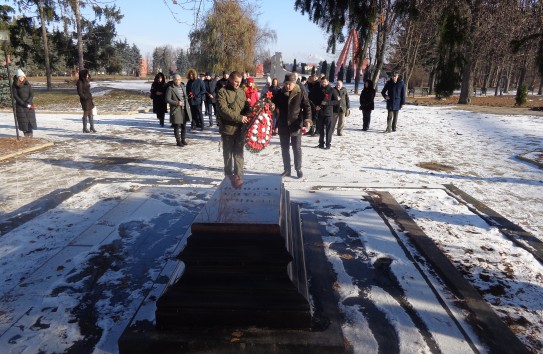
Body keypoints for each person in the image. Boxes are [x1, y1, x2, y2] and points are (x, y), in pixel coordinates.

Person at [272, 73, 312, 179]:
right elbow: (274, 103)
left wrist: (307, 120)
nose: (287, 86)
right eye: (286, 84)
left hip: (295, 124)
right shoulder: (280, 93)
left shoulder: (300, 92)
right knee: (284, 148)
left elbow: (307, 106)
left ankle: (298, 168)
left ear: (294, 83)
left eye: (290, 84)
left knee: (296, 148)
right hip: (283, 124)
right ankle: (287, 169)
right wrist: (272, 105)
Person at [216, 71, 251, 188]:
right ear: (230, 79)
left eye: (239, 82)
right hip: (228, 129)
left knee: (239, 154)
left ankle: (239, 177)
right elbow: (223, 110)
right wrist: (239, 118)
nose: (237, 84)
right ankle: (228, 177)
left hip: (240, 129)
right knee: (228, 155)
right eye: (235, 81)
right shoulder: (222, 92)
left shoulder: (241, 92)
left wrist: (249, 109)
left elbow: (245, 107)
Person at [165, 74, 192, 147]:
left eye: (179, 79)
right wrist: (177, 103)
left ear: (181, 80)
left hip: (184, 108)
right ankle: (178, 141)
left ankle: (183, 139)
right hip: (176, 109)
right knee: (177, 125)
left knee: (184, 125)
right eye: (176, 79)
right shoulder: (170, 88)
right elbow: (167, 99)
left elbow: (184, 96)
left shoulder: (183, 86)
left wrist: (187, 102)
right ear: (173, 80)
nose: (177, 81)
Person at [315, 76, 339, 149]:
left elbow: (336, 101)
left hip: (328, 113)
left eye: (325, 82)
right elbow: (316, 100)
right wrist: (316, 106)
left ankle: (328, 144)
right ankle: (321, 143)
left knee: (328, 130)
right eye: (322, 82)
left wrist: (327, 103)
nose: (323, 83)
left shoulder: (332, 90)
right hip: (320, 112)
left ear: (328, 82)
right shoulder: (318, 90)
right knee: (321, 129)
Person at [12, 69, 37, 138]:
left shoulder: (28, 84)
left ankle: (30, 134)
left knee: (30, 120)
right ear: (17, 77)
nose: (21, 78)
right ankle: (26, 134)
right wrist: (23, 103)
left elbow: (31, 94)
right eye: (20, 77)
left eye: (22, 77)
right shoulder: (15, 85)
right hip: (21, 106)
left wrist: (28, 101)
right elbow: (15, 96)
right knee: (23, 120)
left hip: (29, 105)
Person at [76, 68, 96, 133]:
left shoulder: (86, 80)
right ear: (83, 75)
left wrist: (88, 97)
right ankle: (84, 128)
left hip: (89, 98)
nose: (87, 75)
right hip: (84, 99)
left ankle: (92, 127)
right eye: (86, 74)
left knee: (91, 112)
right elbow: (80, 92)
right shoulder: (80, 82)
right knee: (86, 112)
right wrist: (84, 97)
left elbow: (88, 84)